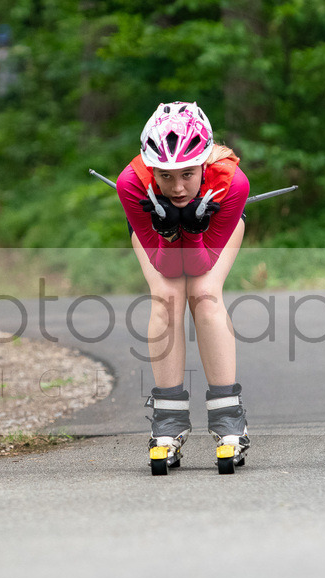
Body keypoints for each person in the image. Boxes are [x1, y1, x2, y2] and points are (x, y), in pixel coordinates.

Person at [115, 101, 250, 475]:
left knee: (204, 296)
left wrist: (190, 228)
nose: (176, 187)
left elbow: (198, 265)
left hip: (217, 219)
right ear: (151, 169)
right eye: (165, 176)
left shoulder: (233, 182)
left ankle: (229, 421)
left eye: (188, 175)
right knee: (166, 299)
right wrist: (169, 227)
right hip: (156, 230)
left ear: (204, 164)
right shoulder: (131, 184)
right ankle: (169, 424)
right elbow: (168, 266)